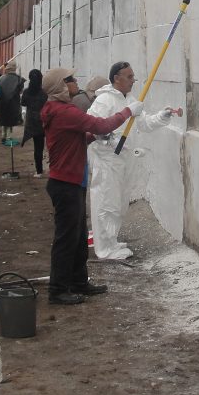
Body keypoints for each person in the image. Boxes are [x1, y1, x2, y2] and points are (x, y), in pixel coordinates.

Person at [40, 67, 144, 305]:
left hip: (72, 181)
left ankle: (78, 282)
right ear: (60, 87)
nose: (75, 82)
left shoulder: (56, 110)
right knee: (66, 239)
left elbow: (77, 138)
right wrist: (128, 111)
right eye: (70, 80)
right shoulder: (65, 111)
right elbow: (102, 124)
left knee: (77, 238)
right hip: (65, 183)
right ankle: (58, 290)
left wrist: (91, 138)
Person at [87, 62, 182, 260]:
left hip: (123, 161)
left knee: (120, 203)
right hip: (108, 161)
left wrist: (162, 116)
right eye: (129, 77)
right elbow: (92, 128)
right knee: (107, 202)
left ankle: (111, 241)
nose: (133, 81)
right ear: (116, 78)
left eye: (133, 77)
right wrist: (107, 140)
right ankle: (104, 248)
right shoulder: (104, 100)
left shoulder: (129, 99)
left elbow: (144, 124)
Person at [20, 69, 47, 177]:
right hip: (43, 120)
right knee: (47, 145)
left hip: (32, 121)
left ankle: (39, 171)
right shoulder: (44, 93)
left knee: (38, 148)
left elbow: (23, 103)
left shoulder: (27, 92)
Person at [0, 62, 25, 143]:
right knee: (10, 120)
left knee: (4, 119)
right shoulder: (19, 79)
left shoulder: (2, 78)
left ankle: (3, 135)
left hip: (3, 102)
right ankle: (8, 137)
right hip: (13, 102)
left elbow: (0, 90)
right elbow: (20, 91)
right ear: (15, 68)